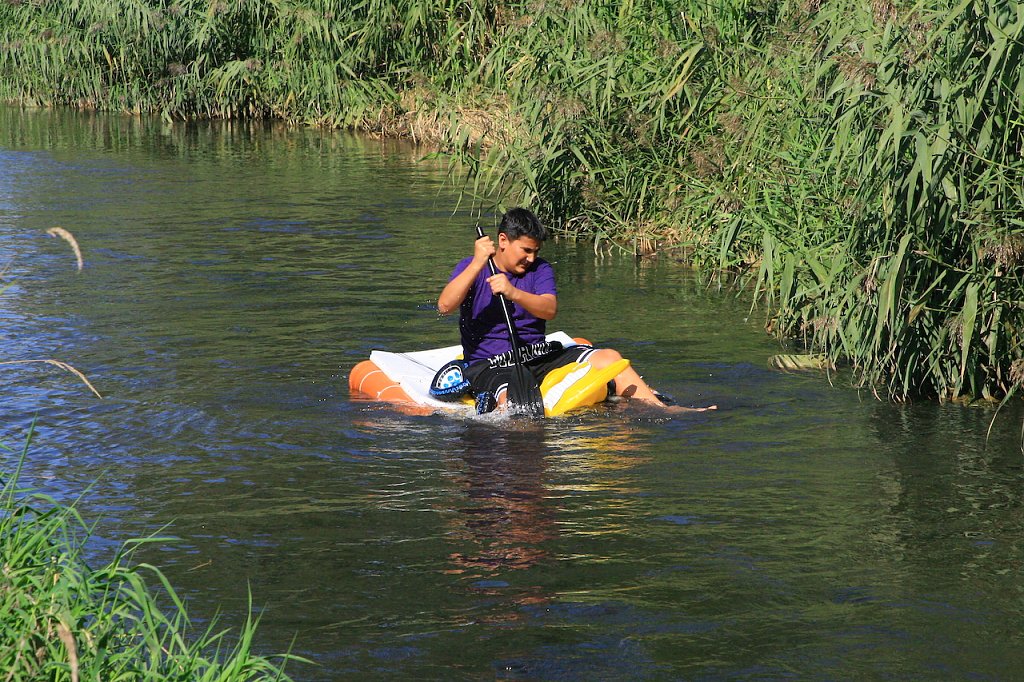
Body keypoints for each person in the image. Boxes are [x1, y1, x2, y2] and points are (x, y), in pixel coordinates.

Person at [437, 207, 715, 413]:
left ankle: (663, 409)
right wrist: (478, 263)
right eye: (525, 250)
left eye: (535, 251)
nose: (531, 258)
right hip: (490, 364)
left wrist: (513, 293)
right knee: (512, 400)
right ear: (502, 241)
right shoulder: (472, 267)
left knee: (610, 357)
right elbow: (445, 306)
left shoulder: (540, 269)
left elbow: (549, 310)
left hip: (536, 355)